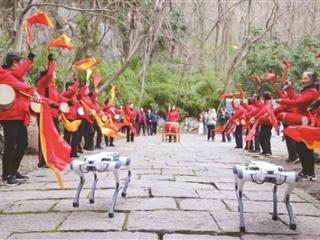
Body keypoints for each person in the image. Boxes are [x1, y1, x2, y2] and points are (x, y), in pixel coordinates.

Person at [0, 52, 41, 184]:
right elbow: (17, 84)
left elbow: (20, 81)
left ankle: (13, 171)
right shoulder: (5, 74)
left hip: (19, 114)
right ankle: (6, 175)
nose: (21, 66)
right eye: (19, 63)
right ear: (14, 63)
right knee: (10, 145)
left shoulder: (16, 76)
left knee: (23, 143)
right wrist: (33, 91)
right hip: (8, 115)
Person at [277, 70, 319, 180]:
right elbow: (296, 98)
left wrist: (282, 101)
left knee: (305, 148)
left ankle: (310, 172)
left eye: (305, 78)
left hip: (307, 122)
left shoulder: (312, 92)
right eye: (303, 78)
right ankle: (305, 171)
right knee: (301, 148)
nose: (302, 80)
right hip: (301, 123)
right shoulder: (306, 90)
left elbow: (298, 102)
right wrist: (289, 88)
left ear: (311, 80)